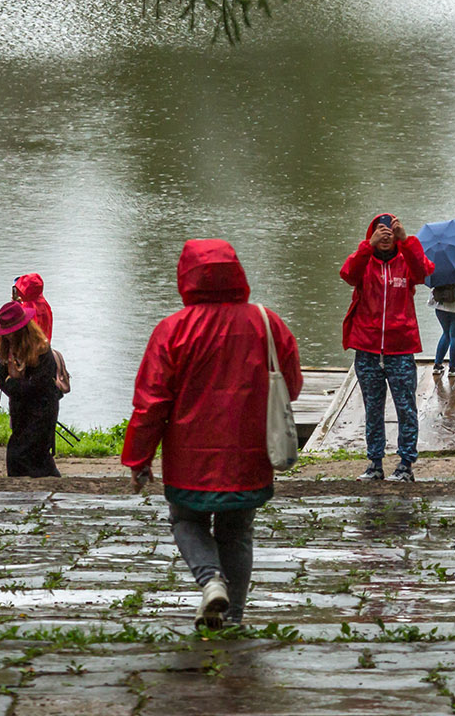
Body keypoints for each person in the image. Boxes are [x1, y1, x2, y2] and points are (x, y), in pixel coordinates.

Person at [123, 239, 304, 630]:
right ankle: (234, 617)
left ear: (185, 277)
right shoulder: (266, 322)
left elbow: (151, 402)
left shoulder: (172, 330)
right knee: (237, 531)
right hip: (249, 451)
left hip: (190, 457)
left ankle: (210, 580)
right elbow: (291, 384)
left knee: (186, 522)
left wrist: (139, 458)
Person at [339, 212, 433, 483]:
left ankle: (405, 465)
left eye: (391, 231)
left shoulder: (406, 263)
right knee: (373, 407)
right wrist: (366, 246)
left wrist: (407, 241)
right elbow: (347, 273)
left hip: (400, 348)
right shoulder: (364, 263)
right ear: (372, 235)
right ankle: (374, 463)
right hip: (367, 348)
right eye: (380, 231)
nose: (385, 235)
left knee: (406, 408)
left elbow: (424, 272)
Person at [0, 303, 61, 477]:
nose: (7, 336)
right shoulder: (8, 349)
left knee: (25, 455)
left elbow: (38, 386)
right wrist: (13, 385)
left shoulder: (42, 351)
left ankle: (50, 488)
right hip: (20, 411)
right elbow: (2, 377)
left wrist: (12, 384)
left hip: (42, 411)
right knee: (24, 457)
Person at [12, 273, 54, 341]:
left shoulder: (28, 307)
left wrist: (15, 305)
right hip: (45, 343)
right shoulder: (43, 303)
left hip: (31, 347)